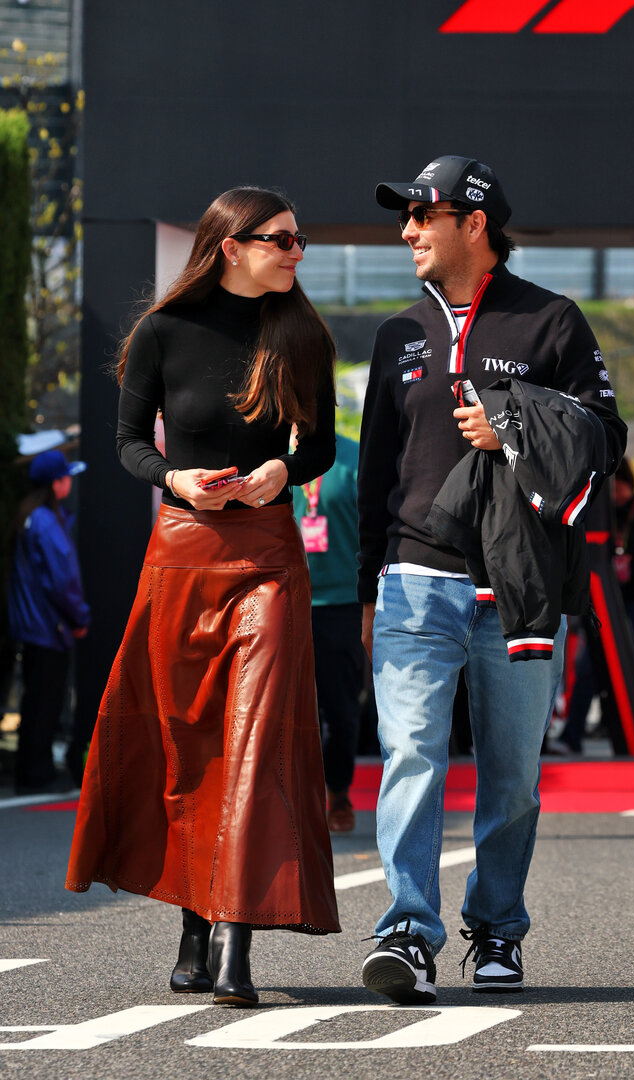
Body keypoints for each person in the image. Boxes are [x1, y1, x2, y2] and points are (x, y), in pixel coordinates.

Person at [357, 155, 626, 1002]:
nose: (407, 231)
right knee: (410, 757)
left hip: (519, 587)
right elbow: (374, 470)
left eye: (422, 215)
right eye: (405, 217)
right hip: (412, 579)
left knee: (510, 777)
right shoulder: (396, 333)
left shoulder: (553, 319)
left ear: (473, 224)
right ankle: (407, 931)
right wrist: (368, 588)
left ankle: (497, 927)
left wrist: (511, 423)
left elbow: (607, 436)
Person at [65, 186, 340, 1007]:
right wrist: (175, 478)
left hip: (268, 556)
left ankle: (231, 941)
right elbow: (127, 444)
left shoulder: (303, 334)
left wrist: (281, 469)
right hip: (182, 551)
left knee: (254, 741)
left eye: (298, 240)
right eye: (281, 239)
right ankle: (194, 928)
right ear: (231, 246)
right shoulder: (162, 332)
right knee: (189, 743)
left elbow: (321, 444)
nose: (296, 252)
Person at [550, 457, 634, 755]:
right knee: (587, 669)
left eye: (619, 486)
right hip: (605, 600)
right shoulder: (598, 514)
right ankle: (572, 736)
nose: (615, 493)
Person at [8, 449, 90, 793]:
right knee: (45, 703)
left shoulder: (31, 516)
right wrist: (79, 616)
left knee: (35, 701)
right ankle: (37, 775)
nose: (69, 481)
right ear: (56, 483)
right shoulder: (46, 521)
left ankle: (31, 772)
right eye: (65, 476)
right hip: (49, 627)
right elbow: (63, 579)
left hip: (35, 626)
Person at [293, 432, 363, 832]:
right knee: (286, 711)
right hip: (286, 599)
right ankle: (294, 800)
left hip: (341, 603)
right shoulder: (272, 456)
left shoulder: (353, 456)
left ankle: (338, 791)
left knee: (339, 708)